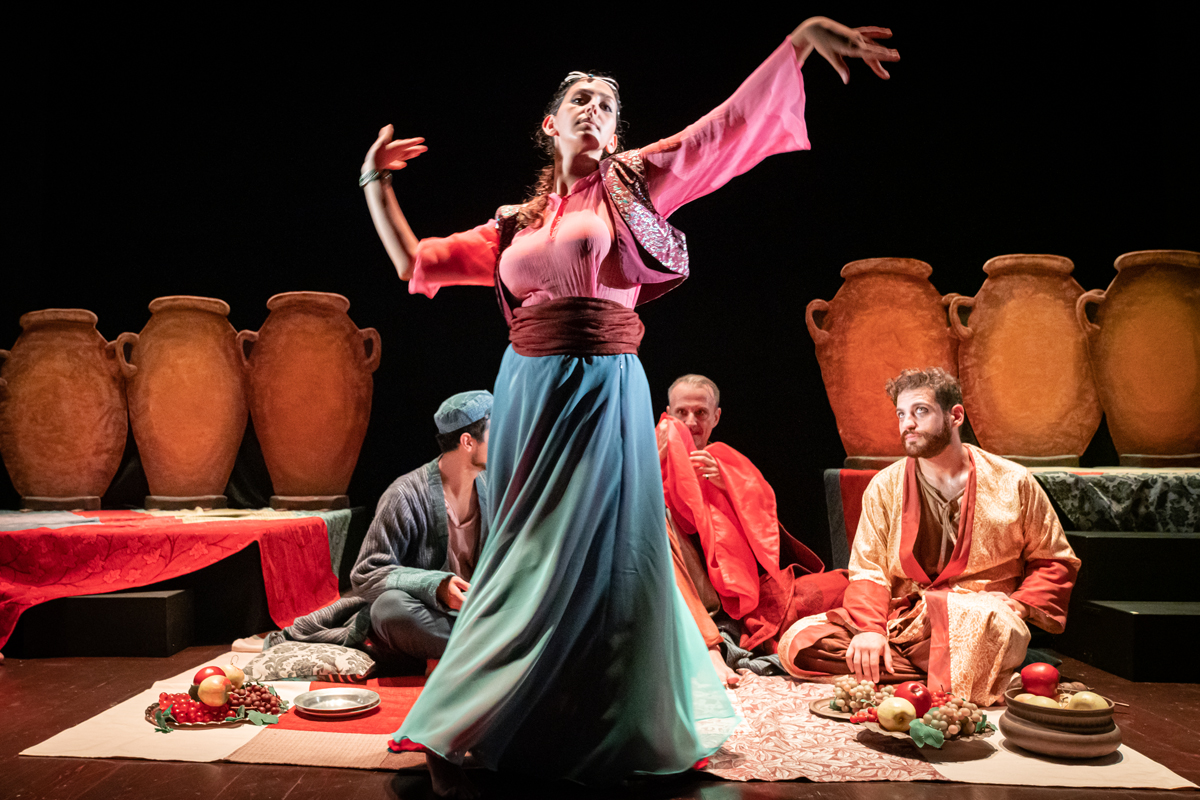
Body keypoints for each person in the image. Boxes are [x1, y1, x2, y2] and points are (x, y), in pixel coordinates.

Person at [361, 17, 900, 796]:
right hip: (526, 396)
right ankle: (497, 715)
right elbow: (417, 261)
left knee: (600, 556)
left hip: (599, 390)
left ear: (616, 133)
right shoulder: (513, 225)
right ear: (550, 124)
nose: (594, 109)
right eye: (579, 99)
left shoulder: (633, 184)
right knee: (523, 558)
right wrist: (374, 182)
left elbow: (722, 131)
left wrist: (802, 44)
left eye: (607, 105)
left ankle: (611, 719)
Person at [778, 368, 1080, 706]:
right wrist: (870, 631)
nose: (907, 424)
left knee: (984, 625)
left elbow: (1053, 558)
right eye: (901, 414)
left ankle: (921, 671)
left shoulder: (1014, 481)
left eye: (920, 411)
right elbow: (869, 569)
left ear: (955, 416)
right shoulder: (885, 486)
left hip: (978, 616)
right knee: (800, 643)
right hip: (908, 622)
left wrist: (1019, 606)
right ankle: (958, 675)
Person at [261, 391, 491, 671]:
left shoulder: (493, 488)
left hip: (477, 612)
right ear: (467, 442)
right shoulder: (405, 494)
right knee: (390, 609)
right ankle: (493, 647)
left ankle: (473, 646)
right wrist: (437, 586)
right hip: (431, 614)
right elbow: (366, 573)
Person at [657, 375, 847, 688]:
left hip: (735, 590)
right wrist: (656, 461)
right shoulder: (650, 457)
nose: (690, 422)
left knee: (840, 588)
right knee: (656, 523)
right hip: (679, 582)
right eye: (682, 413)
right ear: (668, 414)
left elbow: (766, 534)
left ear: (716, 417)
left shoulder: (728, 463)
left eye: (701, 413)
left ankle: (727, 642)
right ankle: (711, 648)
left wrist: (728, 486)